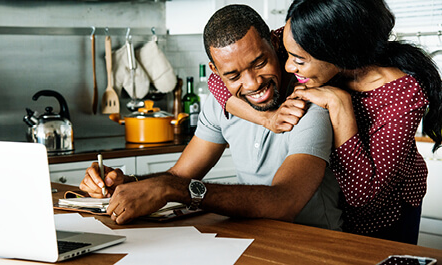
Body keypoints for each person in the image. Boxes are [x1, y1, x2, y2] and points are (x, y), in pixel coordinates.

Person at [79, 4, 343, 231]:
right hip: (258, 239)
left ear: (275, 44)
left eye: (259, 63)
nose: (252, 84)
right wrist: (128, 184)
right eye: (233, 75)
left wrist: (175, 189)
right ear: (215, 72)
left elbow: (284, 202)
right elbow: (179, 176)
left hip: (316, 245)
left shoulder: (309, 103)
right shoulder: (220, 106)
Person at [207, 0, 442, 244]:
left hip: (385, 215)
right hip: (333, 208)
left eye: (298, 60)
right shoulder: (300, 36)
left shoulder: (402, 95)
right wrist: (267, 119)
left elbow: (364, 197)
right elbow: (217, 81)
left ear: (338, 52)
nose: (287, 65)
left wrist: (340, 105)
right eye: (287, 54)